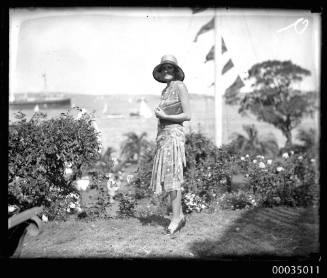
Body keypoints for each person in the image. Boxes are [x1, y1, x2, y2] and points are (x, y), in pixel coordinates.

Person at [150, 54, 191, 235]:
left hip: (174, 136)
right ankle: (179, 215)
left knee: (173, 177)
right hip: (164, 137)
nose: (167, 71)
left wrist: (165, 116)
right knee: (168, 177)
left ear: (175, 71)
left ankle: (175, 219)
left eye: (170, 68)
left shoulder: (180, 86)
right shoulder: (165, 91)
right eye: (164, 68)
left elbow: (187, 115)